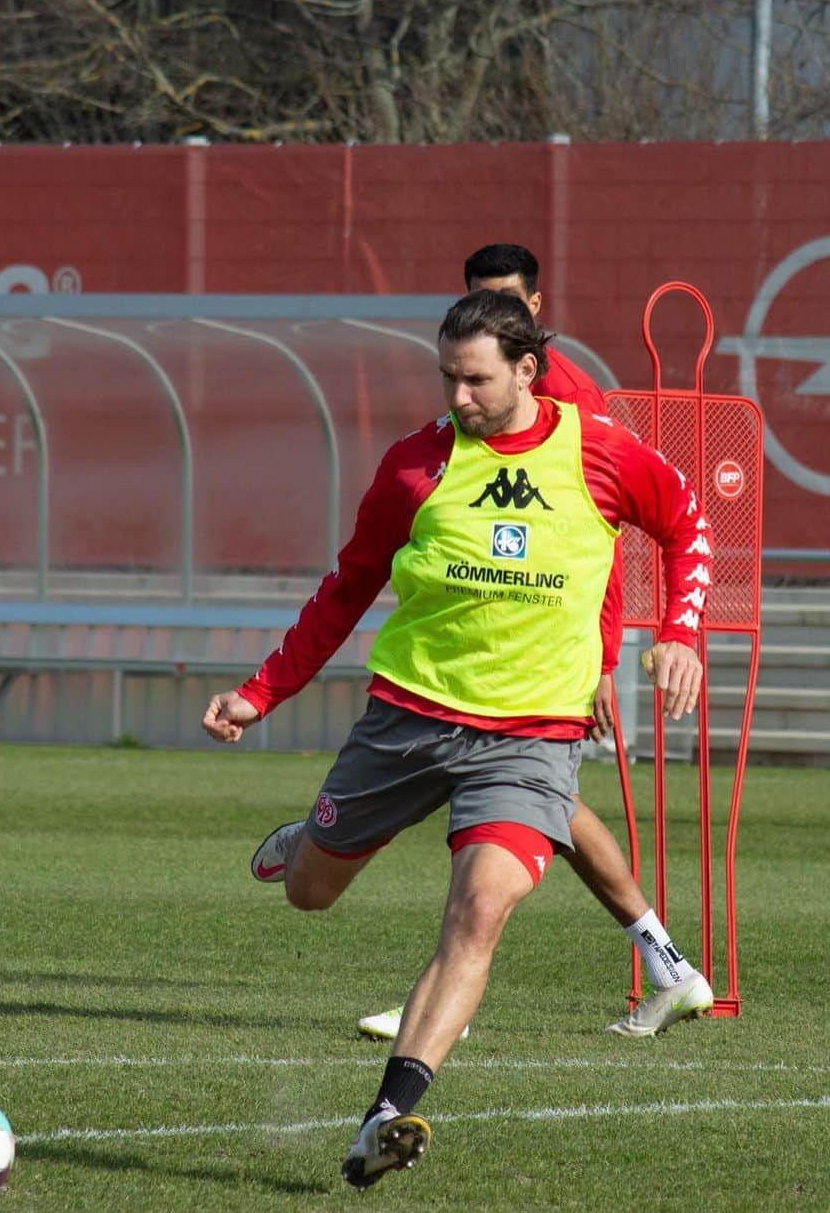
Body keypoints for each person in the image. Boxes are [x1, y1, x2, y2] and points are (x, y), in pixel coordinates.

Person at [203, 288, 712, 1188]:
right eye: (448, 378)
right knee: (314, 894)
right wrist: (260, 694)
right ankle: (308, 842)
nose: (459, 398)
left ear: (528, 368)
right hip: (408, 720)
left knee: (477, 913)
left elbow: (686, 523)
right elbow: (347, 588)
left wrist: (679, 633)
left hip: (530, 739)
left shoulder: (599, 451)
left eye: (475, 380)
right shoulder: (415, 467)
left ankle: (388, 1114)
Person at [356, 242, 710, 1043]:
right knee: (547, 809)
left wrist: (602, 658)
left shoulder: (570, 399)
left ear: (536, 319)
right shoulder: (467, 401)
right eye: (482, 298)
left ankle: (455, 993)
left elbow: (598, 535)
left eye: (510, 301)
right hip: (494, 659)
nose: (497, 315)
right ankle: (667, 963)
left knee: (518, 817)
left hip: (551, 655)